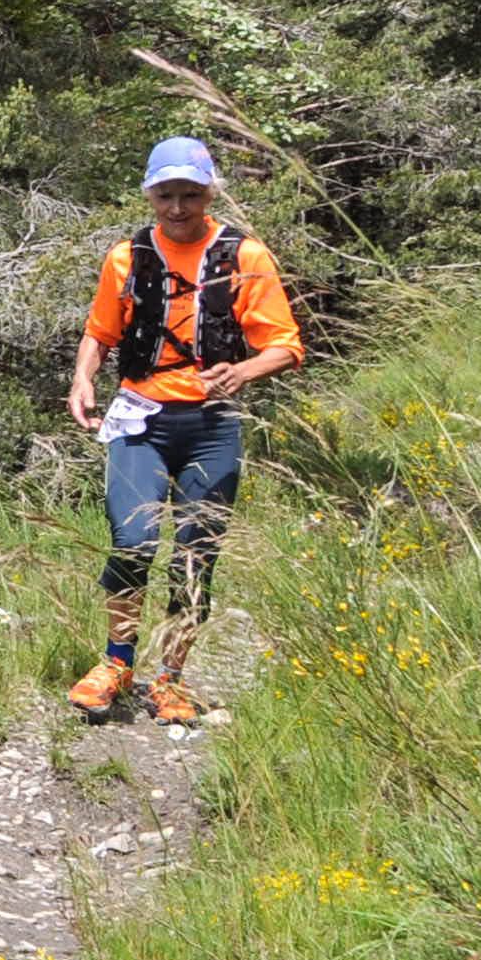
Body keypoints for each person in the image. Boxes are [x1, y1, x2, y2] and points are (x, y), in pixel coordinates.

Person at [61, 137, 304, 725]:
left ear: (209, 194)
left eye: (189, 195)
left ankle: (170, 678)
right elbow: (100, 332)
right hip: (140, 419)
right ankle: (117, 663)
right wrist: (82, 378)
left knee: (197, 554)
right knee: (132, 540)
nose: (177, 207)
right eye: (165, 195)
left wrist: (244, 370)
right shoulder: (127, 257)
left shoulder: (245, 256)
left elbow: (286, 345)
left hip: (211, 425)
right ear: (150, 194)